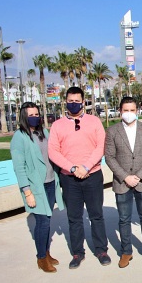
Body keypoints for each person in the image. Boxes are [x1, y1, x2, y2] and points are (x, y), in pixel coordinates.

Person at [48, 86, 111, 269]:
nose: (73, 104)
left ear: (83, 102)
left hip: (92, 175)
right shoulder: (57, 125)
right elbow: (53, 151)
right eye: (70, 101)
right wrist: (72, 167)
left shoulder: (94, 121)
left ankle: (101, 250)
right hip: (69, 178)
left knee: (96, 215)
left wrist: (85, 167)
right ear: (65, 101)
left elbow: (101, 147)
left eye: (77, 101)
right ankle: (77, 252)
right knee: (74, 217)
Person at [105, 97, 142, 268]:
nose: (129, 113)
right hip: (122, 182)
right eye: (125, 110)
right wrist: (125, 176)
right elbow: (109, 157)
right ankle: (126, 251)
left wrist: (139, 175)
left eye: (132, 110)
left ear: (137, 111)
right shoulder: (112, 131)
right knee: (124, 219)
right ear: (120, 111)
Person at [10, 102, 64, 273]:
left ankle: (46, 252)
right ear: (23, 117)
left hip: (49, 183)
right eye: (30, 115)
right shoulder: (19, 137)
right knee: (42, 223)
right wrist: (27, 193)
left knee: (47, 222)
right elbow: (19, 167)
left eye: (36, 114)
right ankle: (41, 258)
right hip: (35, 187)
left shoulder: (44, 133)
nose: (35, 117)